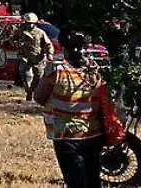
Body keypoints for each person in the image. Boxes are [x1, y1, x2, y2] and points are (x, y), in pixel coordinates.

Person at [35, 32, 106, 188]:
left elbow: (39, 97)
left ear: (64, 49)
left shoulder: (56, 70)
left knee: (75, 181)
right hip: (93, 133)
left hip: (66, 135)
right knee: (93, 179)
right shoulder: (94, 69)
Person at [18, 14, 55, 100]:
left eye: (31, 23)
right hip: (25, 57)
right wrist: (17, 44)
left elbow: (48, 44)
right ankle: (28, 90)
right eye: (27, 23)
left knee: (38, 76)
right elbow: (12, 40)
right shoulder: (20, 31)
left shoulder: (40, 32)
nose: (29, 25)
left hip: (38, 57)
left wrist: (50, 53)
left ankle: (32, 90)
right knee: (24, 74)